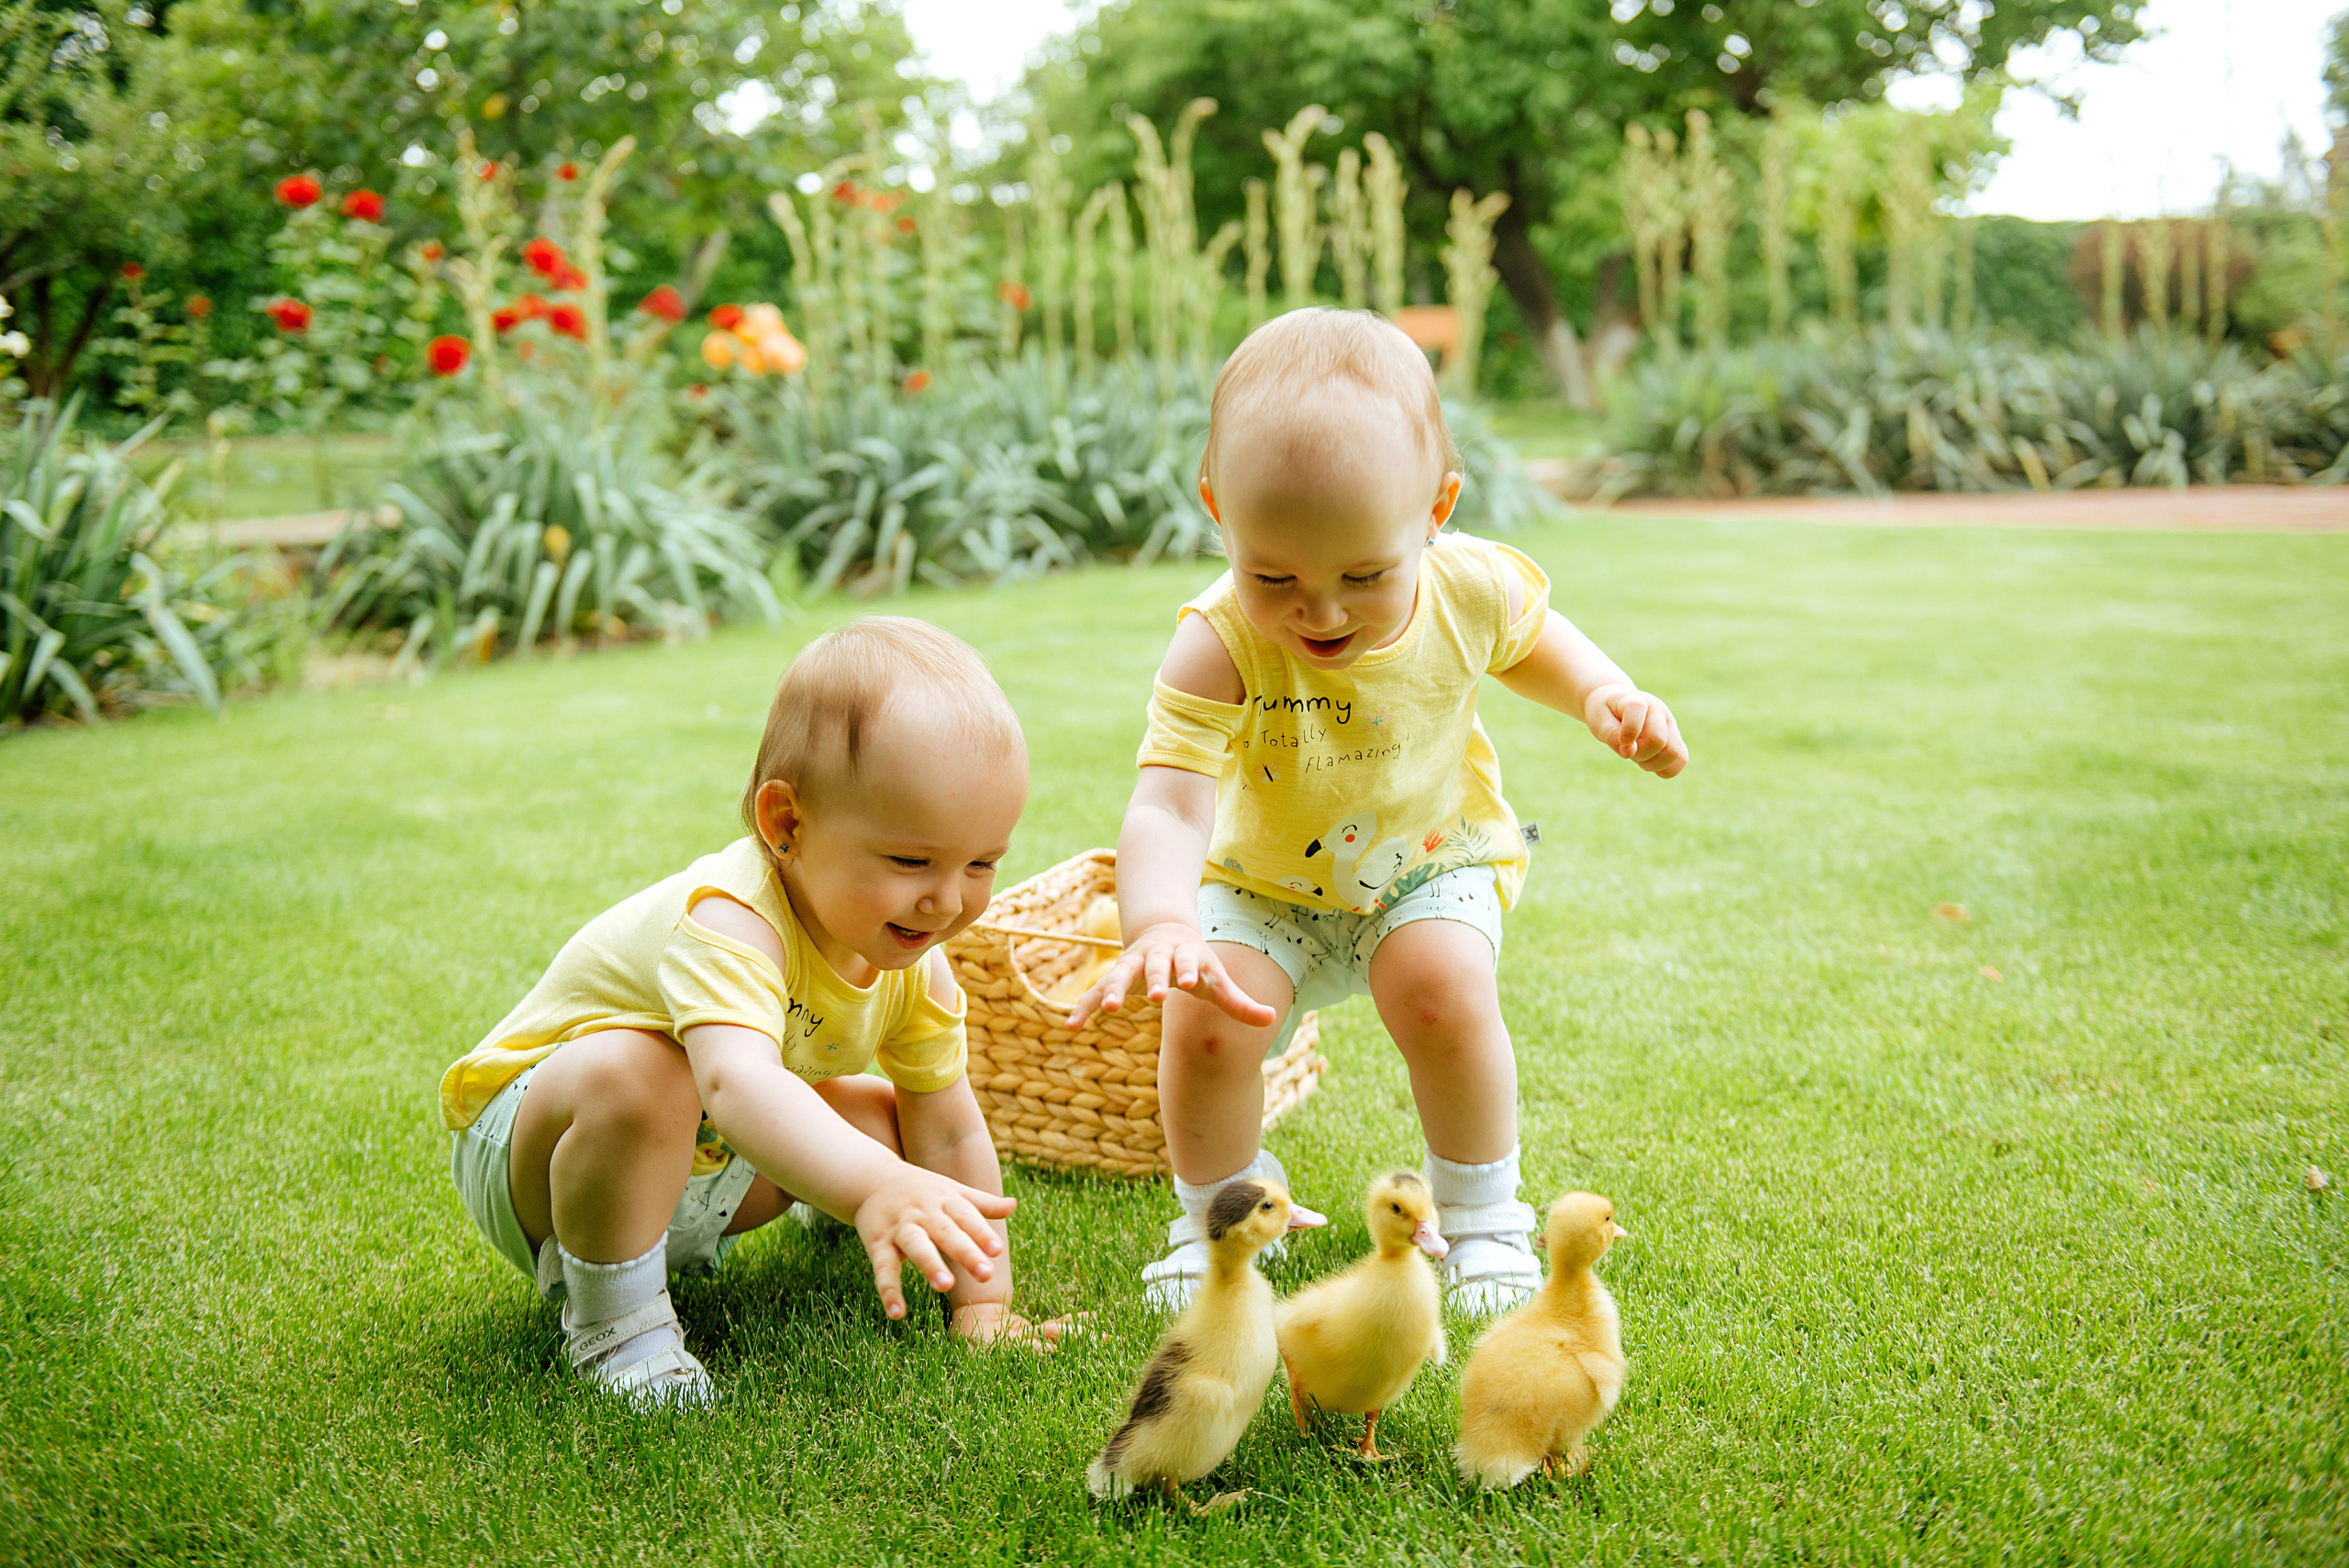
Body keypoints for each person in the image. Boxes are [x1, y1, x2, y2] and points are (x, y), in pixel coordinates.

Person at [1068, 308, 1689, 1315]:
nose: (1320, 610)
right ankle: (1217, 1222)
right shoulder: (1217, 641)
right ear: (1217, 510)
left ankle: (1483, 1223)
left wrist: (1604, 696)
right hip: (1264, 883)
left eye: (1363, 575)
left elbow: (1533, 642)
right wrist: (1163, 922)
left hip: (1426, 861)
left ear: (1436, 508)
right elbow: (1169, 806)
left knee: (1441, 987)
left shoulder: (1467, 586)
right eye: (1274, 575)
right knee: (1209, 1022)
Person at [440, 617, 1071, 1407]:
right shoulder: (730, 920)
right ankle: (619, 1332)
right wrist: (874, 1182)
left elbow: (947, 1128)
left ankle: (840, 1203)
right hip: (547, 1156)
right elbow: (737, 1087)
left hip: (699, 1159)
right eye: (912, 860)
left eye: (981, 862)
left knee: (889, 1122)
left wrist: (985, 1304)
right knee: (648, 1071)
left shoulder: (919, 967)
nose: (948, 898)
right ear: (786, 826)